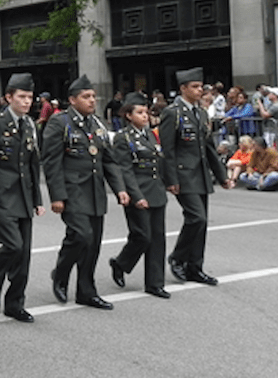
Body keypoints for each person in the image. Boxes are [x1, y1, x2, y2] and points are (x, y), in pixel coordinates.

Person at [42, 75, 128, 310]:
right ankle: (61, 274)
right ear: (72, 100)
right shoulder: (60, 123)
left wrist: (120, 189)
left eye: (93, 96)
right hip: (73, 191)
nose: (92, 100)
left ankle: (86, 291)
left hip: (95, 192)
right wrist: (57, 196)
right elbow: (51, 162)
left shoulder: (97, 124)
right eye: (86, 96)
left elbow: (108, 160)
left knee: (93, 244)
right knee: (81, 236)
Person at [0, 73, 44, 322]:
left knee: (24, 254)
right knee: (13, 245)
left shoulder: (30, 124)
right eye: (22, 97)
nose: (27, 101)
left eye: (30, 97)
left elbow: (33, 164)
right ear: (9, 98)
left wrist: (38, 199)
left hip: (24, 195)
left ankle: (15, 303)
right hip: (2, 195)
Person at [160, 67, 231, 286]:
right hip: (183, 174)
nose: (200, 90)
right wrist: (171, 179)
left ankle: (195, 267)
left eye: (201, 86)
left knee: (202, 223)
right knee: (196, 218)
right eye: (195, 86)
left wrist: (222, 176)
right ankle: (177, 257)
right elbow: (168, 150)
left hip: (200, 174)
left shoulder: (201, 113)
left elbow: (208, 147)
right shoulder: (172, 113)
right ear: (183, 89)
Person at [109, 92, 170, 299]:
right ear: (129, 115)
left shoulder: (151, 135)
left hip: (156, 191)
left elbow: (160, 161)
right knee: (142, 236)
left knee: (157, 238)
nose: (145, 116)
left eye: (146, 112)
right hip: (138, 192)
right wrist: (136, 196)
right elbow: (125, 170)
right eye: (140, 112)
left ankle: (155, 283)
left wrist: (170, 183)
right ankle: (120, 263)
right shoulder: (123, 138)